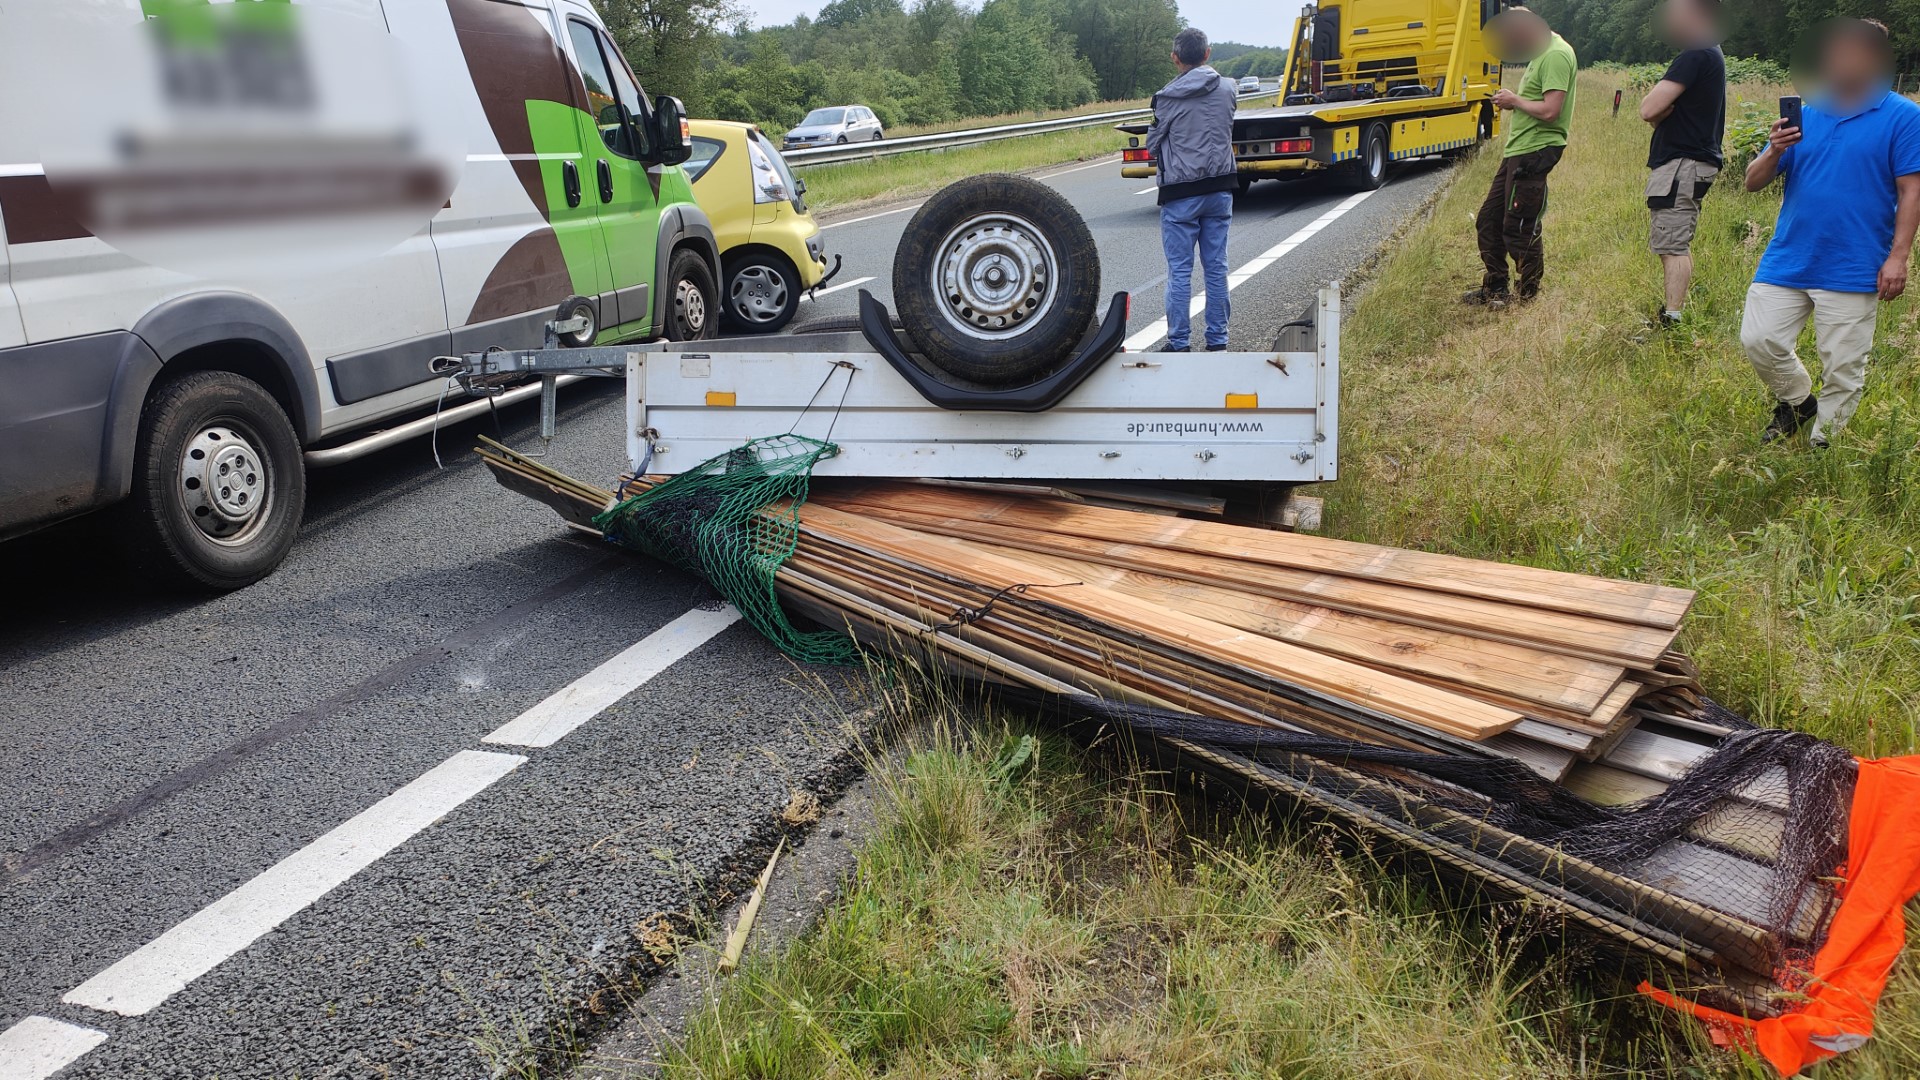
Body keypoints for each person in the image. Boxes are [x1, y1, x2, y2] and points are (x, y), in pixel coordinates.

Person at [1740, 18, 1920, 447]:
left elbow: (1911, 189)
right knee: (1759, 338)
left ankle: (1824, 446)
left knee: (1842, 365)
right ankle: (1799, 403)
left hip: (1854, 262)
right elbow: (1751, 181)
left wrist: (1899, 256)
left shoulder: (1903, 116)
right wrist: (1775, 149)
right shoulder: (1808, 112)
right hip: (1790, 255)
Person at [1464, 7, 1576, 307]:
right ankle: (1496, 287)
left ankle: (1527, 295)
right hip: (1519, 149)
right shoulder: (1541, 53)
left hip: (1535, 151)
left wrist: (1514, 99)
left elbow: (1552, 111)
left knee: (1519, 224)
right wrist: (1515, 101)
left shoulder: (1555, 54)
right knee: (1488, 220)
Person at [1146, 27, 1238, 352]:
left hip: (1181, 193)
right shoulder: (1229, 89)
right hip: (1221, 189)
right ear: (1208, 53)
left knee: (1180, 271)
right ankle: (1218, 340)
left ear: (1175, 58)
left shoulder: (1167, 97)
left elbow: (1153, 144)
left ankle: (1179, 342)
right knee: (1217, 266)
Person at [1639, 0, 1726, 326]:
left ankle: (1672, 320)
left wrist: (1657, 107)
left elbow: (1648, 110)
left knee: (1673, 244)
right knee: (1672, 242)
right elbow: (1656, 112)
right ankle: (1671, 313)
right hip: (1688, 162)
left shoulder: (1696, 52)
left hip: (1683, 163)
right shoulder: (1708, 51)